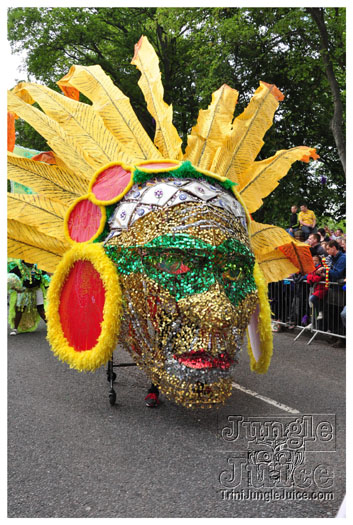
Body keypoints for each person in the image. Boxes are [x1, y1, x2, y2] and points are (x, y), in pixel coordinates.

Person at [7, 260, 50, 335]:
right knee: (20, 309)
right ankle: (15, 329)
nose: (31, 262)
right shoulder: (18, 268)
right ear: (25, 261)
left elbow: (45, 278)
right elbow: (10, 279)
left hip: (37, 290)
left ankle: (50, 326)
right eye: (30, 261)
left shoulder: (38, 268)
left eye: (32, 261)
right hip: (24, 291)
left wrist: (48, 286)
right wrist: (16, 288)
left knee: (41, 309)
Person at [306, 255, 328, 321]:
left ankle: (320, 312)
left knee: (312, 299)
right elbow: (308, 278)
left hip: (322, 288)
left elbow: (317, 279)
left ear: (319, 261)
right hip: (315, 289)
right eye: (313, 261)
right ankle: (313, 322)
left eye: (316, 260)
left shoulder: (321, 268)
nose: (314, 262)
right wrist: (314, 277)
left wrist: (314, 277)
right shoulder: (311, 268)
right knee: (311, 305)